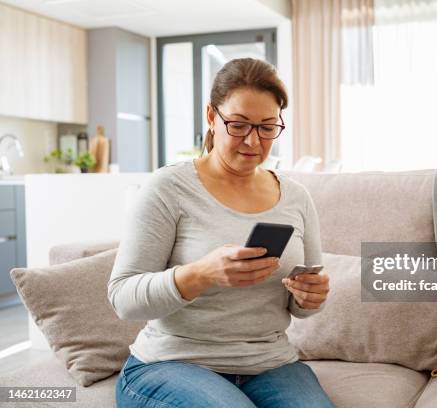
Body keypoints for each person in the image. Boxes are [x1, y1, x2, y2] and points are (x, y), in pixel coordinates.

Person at [108, 58, 334, 408]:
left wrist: (310, 297)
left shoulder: (296, 197)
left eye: (267, 127)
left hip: (270, 363)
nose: (253, 141)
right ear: (212, 117)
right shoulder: (168, 188)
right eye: (239, 125)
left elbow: (301, 306)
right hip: (172, 363)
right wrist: (201, 274)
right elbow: (123, 298)